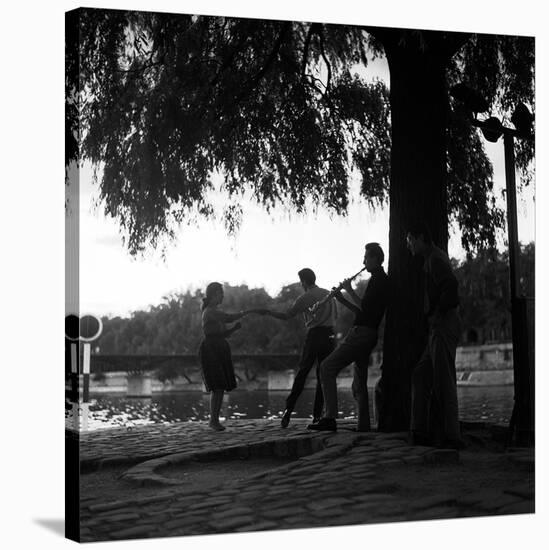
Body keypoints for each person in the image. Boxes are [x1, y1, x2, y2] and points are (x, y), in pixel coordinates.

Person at [309, 243, 390, 432]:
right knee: (359, 381)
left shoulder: (379, 280)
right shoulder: (377, 279)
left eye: (366, 257)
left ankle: (329, 418)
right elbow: (364, 312)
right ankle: (363, 425)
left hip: (361, 334)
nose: (363, 261)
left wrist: (349, 289)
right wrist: (342, 298)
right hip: (366, 333)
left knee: (327, 367)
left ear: (375, 259)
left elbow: (365, 309)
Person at [406, 222, 463, 449]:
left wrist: (437, 315)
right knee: (421, 375)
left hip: (443, 325)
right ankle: (420, 430)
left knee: (444, 381)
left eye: (410, 240)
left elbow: (451, 288)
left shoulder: (436, 259)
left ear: (420, 237)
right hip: (437, 326)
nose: (408, 245)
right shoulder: (431, 259)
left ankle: (452, 436)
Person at [265, 268, 337, 428]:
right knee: (323, 376)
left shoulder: (305, 297)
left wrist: (268, 312)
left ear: (304, 281)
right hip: (330, 336)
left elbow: (287, 315)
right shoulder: (329, 295)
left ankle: (288, 411)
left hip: (315, 336)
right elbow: (335, 318)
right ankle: (318, 416)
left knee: (303, 372)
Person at [198, 282, 264, 431]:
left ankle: (214, 420)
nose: (222, 296)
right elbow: (228, 317)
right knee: (217, 385)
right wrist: (244, 313)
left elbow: (222, 333)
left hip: (219, 348)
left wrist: (234, 329)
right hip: (212, 350)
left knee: (220, 385)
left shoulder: (214, 311)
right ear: (214, 294)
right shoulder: (210, 311)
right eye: (221, 293)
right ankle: (213, 421)